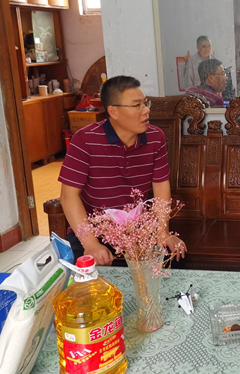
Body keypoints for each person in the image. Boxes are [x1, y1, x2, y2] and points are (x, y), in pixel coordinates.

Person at [58, 75, 187, 265]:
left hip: (137, 231)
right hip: (94, 232)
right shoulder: (84, 140)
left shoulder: (155, 137)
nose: (146, 110)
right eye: (137, 106)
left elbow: (160, 185)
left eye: (145, 103)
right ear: (113, 111)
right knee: (82, 273)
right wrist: (91, 244)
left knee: (173, 261)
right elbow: (68, 196)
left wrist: (163, 233)